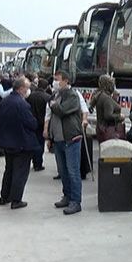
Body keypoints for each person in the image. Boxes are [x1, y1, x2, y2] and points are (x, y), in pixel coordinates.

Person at [44, 70, 84, 215]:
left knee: (73, 172)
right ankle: (67, 196)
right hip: (59, 139)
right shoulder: (56, 95)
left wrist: (53, 104)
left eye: (58, 79)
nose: (55, 82)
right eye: (54, 79)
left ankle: (76, 201)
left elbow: (61, 110)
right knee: (63, 171)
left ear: (66, 81)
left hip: (71, 139)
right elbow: (50, 108)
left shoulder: (72, 95)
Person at [0, 77, 38, 209]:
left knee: (9, 170)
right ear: (21, 89)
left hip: (8, 142)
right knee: (20, 172)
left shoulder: (5, 101)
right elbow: (31, 123)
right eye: (27, 88)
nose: (28, 91)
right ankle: (16, 199)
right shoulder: (22, 104)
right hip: (22, 143)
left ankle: (4, 196)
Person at [27, 77, 51, 171]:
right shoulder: (47, 97)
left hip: (32, 122)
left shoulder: (31, 96)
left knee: (34, 142)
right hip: (42, 123)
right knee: (40, 144)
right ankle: (38, 163)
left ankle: (34, 161)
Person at [93, 74, 126, 142]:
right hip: (108, 130)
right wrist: (120, 117)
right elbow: (108, 115)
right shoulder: (106, 98)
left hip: (101, 128)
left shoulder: (100, 95)